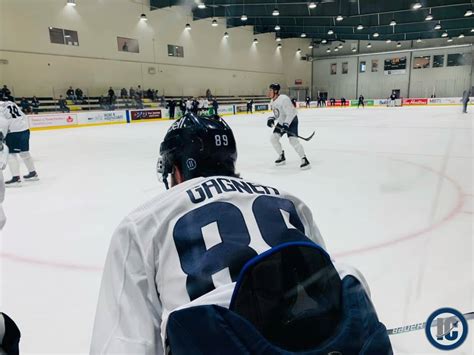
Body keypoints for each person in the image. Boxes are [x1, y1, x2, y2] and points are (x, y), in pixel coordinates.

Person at [91, 113, 392, 354]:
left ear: (178, 171)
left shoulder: (143, 223)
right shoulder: (289, 200)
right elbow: (324, 286)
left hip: (218, 338)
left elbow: (123, 344)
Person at [267, 83, 310, 169]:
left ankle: (304, 159)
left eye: (271, 90)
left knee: (293, 140)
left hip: (292, 120)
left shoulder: (284, 99)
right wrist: (271, 118)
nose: (269, 92)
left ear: (275, 91)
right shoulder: (272, 101)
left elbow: (290, 114)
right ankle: (281, 156)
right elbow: (278, 114)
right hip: (282, 121)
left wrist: (286, 125)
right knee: (273, 138)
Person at [0, 98, 39, 185]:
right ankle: (33, 173)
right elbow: (22, 115)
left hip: (13, 132)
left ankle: (16, 178)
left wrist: (2, 134)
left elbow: (3, 123)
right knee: (24, 153)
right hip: (24, 129)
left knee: (11, 154)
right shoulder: (11, 103)